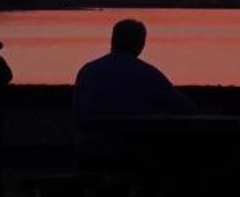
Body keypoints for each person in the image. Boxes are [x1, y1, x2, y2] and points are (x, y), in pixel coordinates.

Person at [72, 18, 192, 161]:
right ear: (140, 44)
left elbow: (77, 108)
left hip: (89, 150)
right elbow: (184, 107)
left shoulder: (89, 70)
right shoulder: (147, 74)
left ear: (113, 40)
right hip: (132, 151)